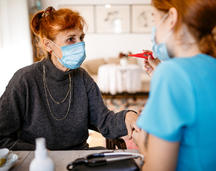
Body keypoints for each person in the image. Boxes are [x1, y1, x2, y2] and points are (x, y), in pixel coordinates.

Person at [0, 7, 138, 150]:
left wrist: (127, 116)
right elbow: (2, 137)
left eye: (81, 38)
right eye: (71, 39)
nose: (80, 44)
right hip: (36, 161)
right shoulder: (24, 79)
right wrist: (41, 155)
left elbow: (103, 121)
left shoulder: (82, 78)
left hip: (78, 158)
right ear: (48, 45)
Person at [133, 0, 216, 170]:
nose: (153, 29)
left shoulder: (172, 74)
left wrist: (143, 144)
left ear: (171, 18)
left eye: (154, 18)